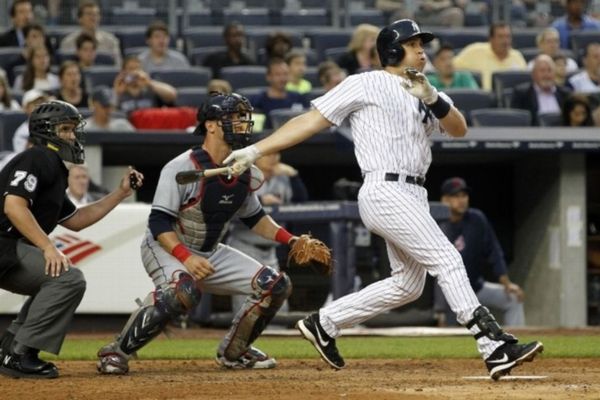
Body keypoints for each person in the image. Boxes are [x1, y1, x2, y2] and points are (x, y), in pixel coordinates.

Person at [223, 19, 543, 380]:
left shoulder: (427, 90)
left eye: (423, 44)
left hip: (414, 193)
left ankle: (324, 322)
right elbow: (311, 121)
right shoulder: (366, 82)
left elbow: (459, 128)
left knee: (408, 284)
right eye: (414, 44)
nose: (422, 50)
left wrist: (432, 97)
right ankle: (492, 345)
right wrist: (255, 150)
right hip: (385, 188)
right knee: (447, 258)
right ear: (393, 49)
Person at [96, 92, 304, 374]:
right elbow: (158, 224)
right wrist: (186, 259)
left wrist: (290, 240)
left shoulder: (245, 170)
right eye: (233, 118)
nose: (242, 124)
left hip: (209, 252)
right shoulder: (181, 167)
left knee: (275, 284)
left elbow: (255, 218)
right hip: (167, 247)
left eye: (244, 118)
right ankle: (117, 351)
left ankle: (235, 351)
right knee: (183, 291)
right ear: (211, 125)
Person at [0, 100, 143, 379]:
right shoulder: (37, 157)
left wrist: (120, 193)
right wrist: (47, 247)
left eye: (73, 129)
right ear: (46, 132)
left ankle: (10, 347)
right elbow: (14, 207)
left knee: (56, 279)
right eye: (65, 129)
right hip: (3, 245)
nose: (72, 136)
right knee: (67, 278)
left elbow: (76, 220)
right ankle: (20, 353)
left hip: (7, 248)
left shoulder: (52, 166)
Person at [432, 177, 525, 327]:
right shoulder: (434, 224)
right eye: (455, 196)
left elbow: (494, 251)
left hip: (476, 288)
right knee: (449, 332)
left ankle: (515, 345)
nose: (461, 200)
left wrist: (507, 283)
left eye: (464, 195)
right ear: (444, 200)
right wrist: (439, 307)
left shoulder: (476, 219)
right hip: (449, 296)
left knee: (513, 298)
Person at [226, 151, 308, 315]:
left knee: (278, 308)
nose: (274, 159)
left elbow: (302, 204)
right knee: (246, 309)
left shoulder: (283, 178)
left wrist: (294, 176)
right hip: (244, 247)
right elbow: (231, 203)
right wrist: (262, 201)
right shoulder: (244, 175)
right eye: (268, 154)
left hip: (270, 252)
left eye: (276, 154)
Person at [453, 23, 527, 91]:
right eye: (500, 37)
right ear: (491, 39)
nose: (505, 41)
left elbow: (525, 83)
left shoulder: (517, 56)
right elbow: (450, 66)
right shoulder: (475, 51)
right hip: (483, 101)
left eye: (508, 36)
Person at [249, 58, 309, 129]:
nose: (282, 78)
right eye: (278, 74)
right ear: (268, 77)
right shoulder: (256, 101)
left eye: (285, 74)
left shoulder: (299, 98)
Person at [511, 55, 571, 126]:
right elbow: (517, 121)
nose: (546, 75)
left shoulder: (565, 94)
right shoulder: (522, 94)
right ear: (533, 74)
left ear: (554, 73)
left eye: (549, 70)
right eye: (542, 71)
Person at [59, 0, 122, 67]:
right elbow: (64, 69)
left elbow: (118, 67)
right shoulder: (68, 42)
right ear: (79, 19)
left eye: (96, 14)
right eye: (89, 14)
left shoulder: (111, 41)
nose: (93, 18)